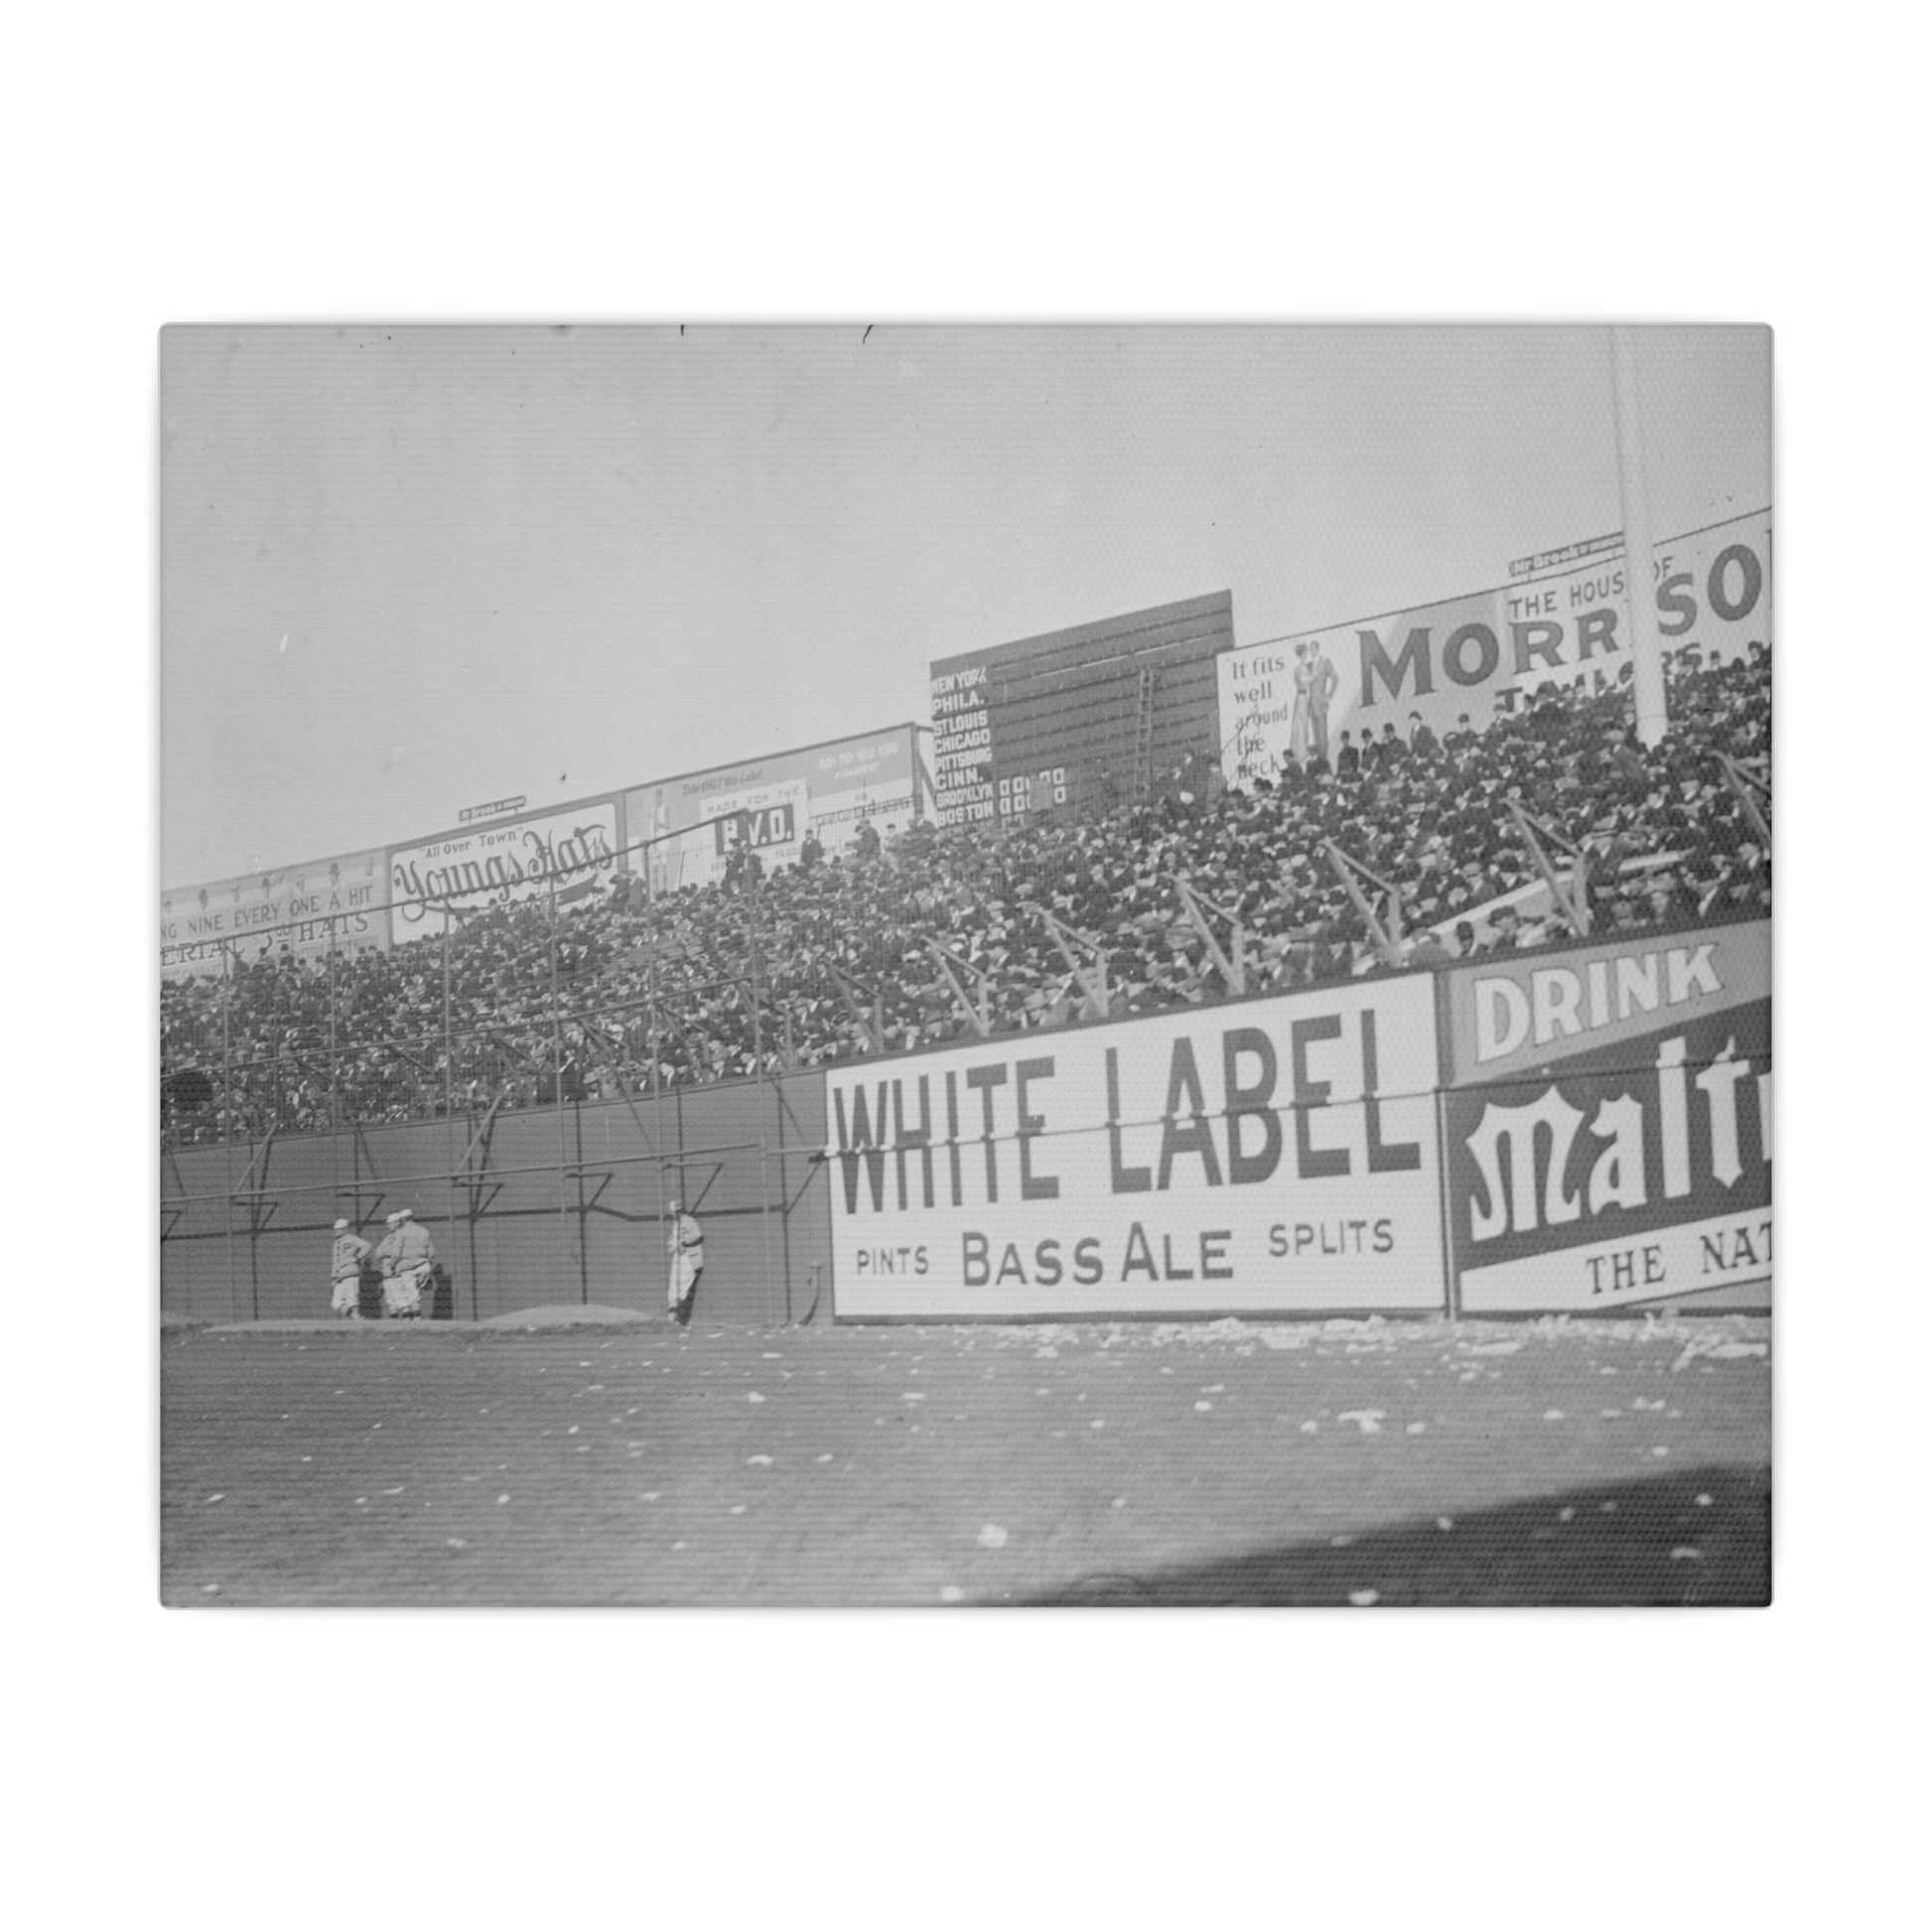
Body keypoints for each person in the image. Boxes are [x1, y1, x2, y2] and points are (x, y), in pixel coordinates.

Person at [374, 1207, 436, 1319]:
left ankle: (416, 1320)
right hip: (424, 1266)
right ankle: (412, 1318)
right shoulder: (424, 1231)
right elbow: (431, 1252)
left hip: (408, 1268)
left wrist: (391, 1265)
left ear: (402, 1220)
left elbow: (396, 1253)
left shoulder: (401, 1233)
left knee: (411, 1297)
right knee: (413, 1293)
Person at [666, 1199, 705, 1326]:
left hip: (689, 1259)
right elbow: (672, 1241)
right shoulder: (676, 1224)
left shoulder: (688, 1221)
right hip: (678, 1259)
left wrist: (683, 1241)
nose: (674, 1215)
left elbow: (698, 1235)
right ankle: (671, 1316)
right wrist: (673, 1245)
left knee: (684, 1288)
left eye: (676, 1212)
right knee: (674, 1288)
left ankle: (680, 1319)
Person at [329, 1217, 371, 1319]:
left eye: (338, 1229)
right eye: (335, 1229)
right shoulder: (336, 1243)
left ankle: (357, 1319)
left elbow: (367, 1246)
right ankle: (356, 1317)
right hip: (339, 1275)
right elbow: (335, 1261)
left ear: (344, 1229)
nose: (336, 1231)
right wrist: (333, 1277)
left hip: (350, 1272)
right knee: (336, 1303)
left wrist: (357, 1257)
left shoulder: (352, 1238)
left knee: (352, 1298)